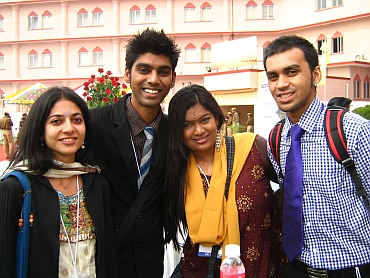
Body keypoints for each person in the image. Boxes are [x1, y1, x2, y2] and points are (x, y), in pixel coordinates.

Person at [264, 35, 370, 277]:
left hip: (350, 268)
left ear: (315, 75)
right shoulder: (276, 138)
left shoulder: (353, 131)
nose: (281, 84)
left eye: (291, 72)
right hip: (296, 268)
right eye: (273, 76)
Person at [164, 84, 286, 278]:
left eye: (205, 120)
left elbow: (291, 185)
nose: (198, 130)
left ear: (217, 118)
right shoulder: (175, 168)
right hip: (200, 270)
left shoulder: (251, 149)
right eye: (187, 125)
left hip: (260, 268)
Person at [90, 28, 181, 278]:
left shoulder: (175, 132)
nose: (153, 79)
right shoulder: (95, 123)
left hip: (150, 261)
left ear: (173, 79)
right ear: (128, 73)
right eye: (144, 70)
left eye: (163, 72)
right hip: (102, 259)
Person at [0, 87, 117, 277]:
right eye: (57, 121)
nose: (69, 128)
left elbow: (108, 257)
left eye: (77, 120)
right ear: (40, 131)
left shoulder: (96, 183)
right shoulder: (15, 188)